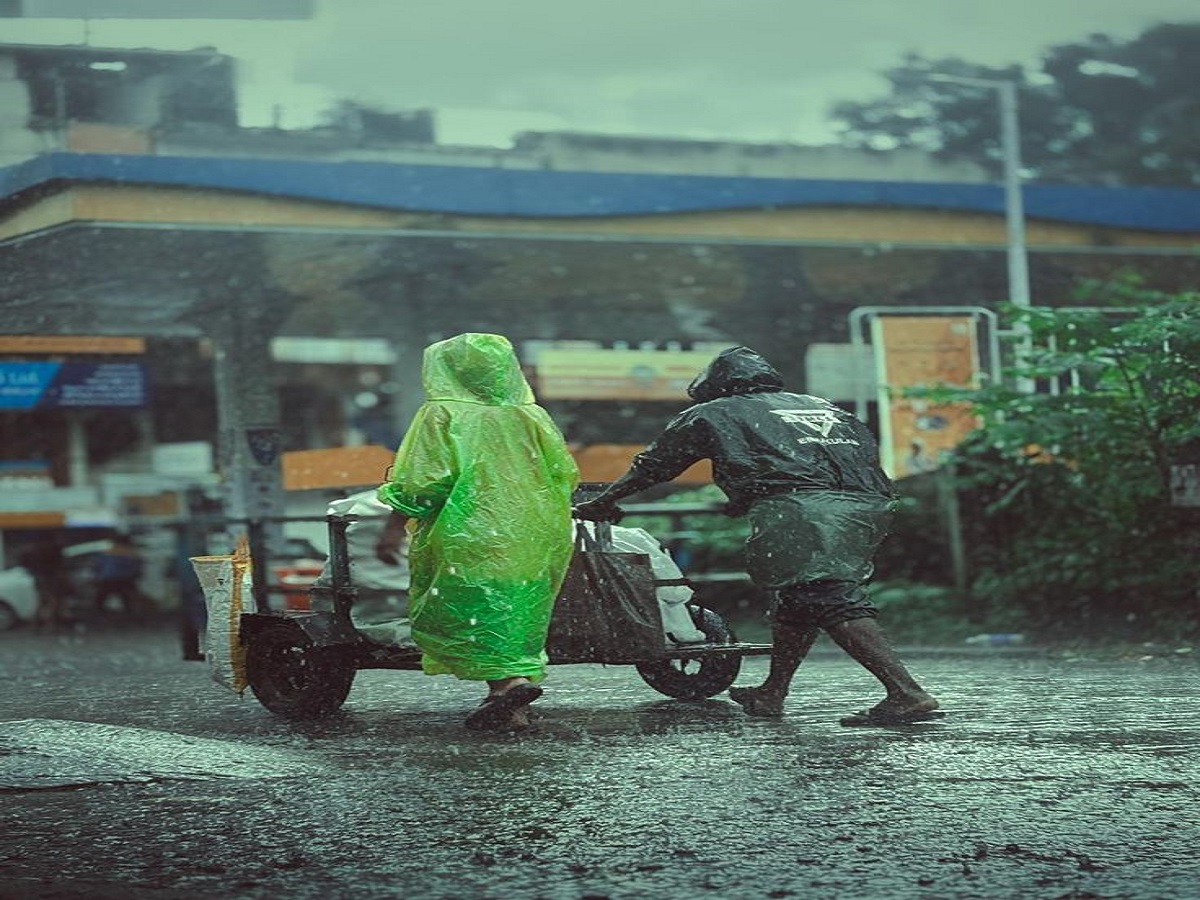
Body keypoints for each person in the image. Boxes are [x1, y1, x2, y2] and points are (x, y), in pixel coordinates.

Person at [573, 345, 941, 727]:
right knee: (796, 602)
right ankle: (772, 692)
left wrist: (604, 502)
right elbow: (812, 461)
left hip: (802, 510)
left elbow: (654, 467)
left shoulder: (713, 412)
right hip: (867, 505)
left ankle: (905, 693)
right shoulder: (824, 408)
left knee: (827, 596)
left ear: (715, 386)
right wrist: (748, 496)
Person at [377, 333, 578, 731]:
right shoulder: (530, 415)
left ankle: (509, 685)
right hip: (532, 531)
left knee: (469, 612)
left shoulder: (443, 414)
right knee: (517, 609)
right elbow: (563, 473)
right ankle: (511, 705)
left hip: (467, 530)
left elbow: (424, 483)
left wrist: (392, 526)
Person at [19, 535, 71, 630]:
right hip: (50, 580)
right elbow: (60, 567)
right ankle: (49, 624)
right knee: (52, 602)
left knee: (43, 602)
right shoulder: (52, 554)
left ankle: (37, 624)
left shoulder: (35, 552)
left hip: (41, 579)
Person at [92, 534, 148, 616]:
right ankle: (130, 614)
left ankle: (98, 613)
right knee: (127, 599)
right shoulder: (132, 552)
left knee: (101, 598)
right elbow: (138, 567)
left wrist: (97, 576)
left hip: (109, 578)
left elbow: (98, 565)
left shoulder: (108, 551)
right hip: (126, 579)